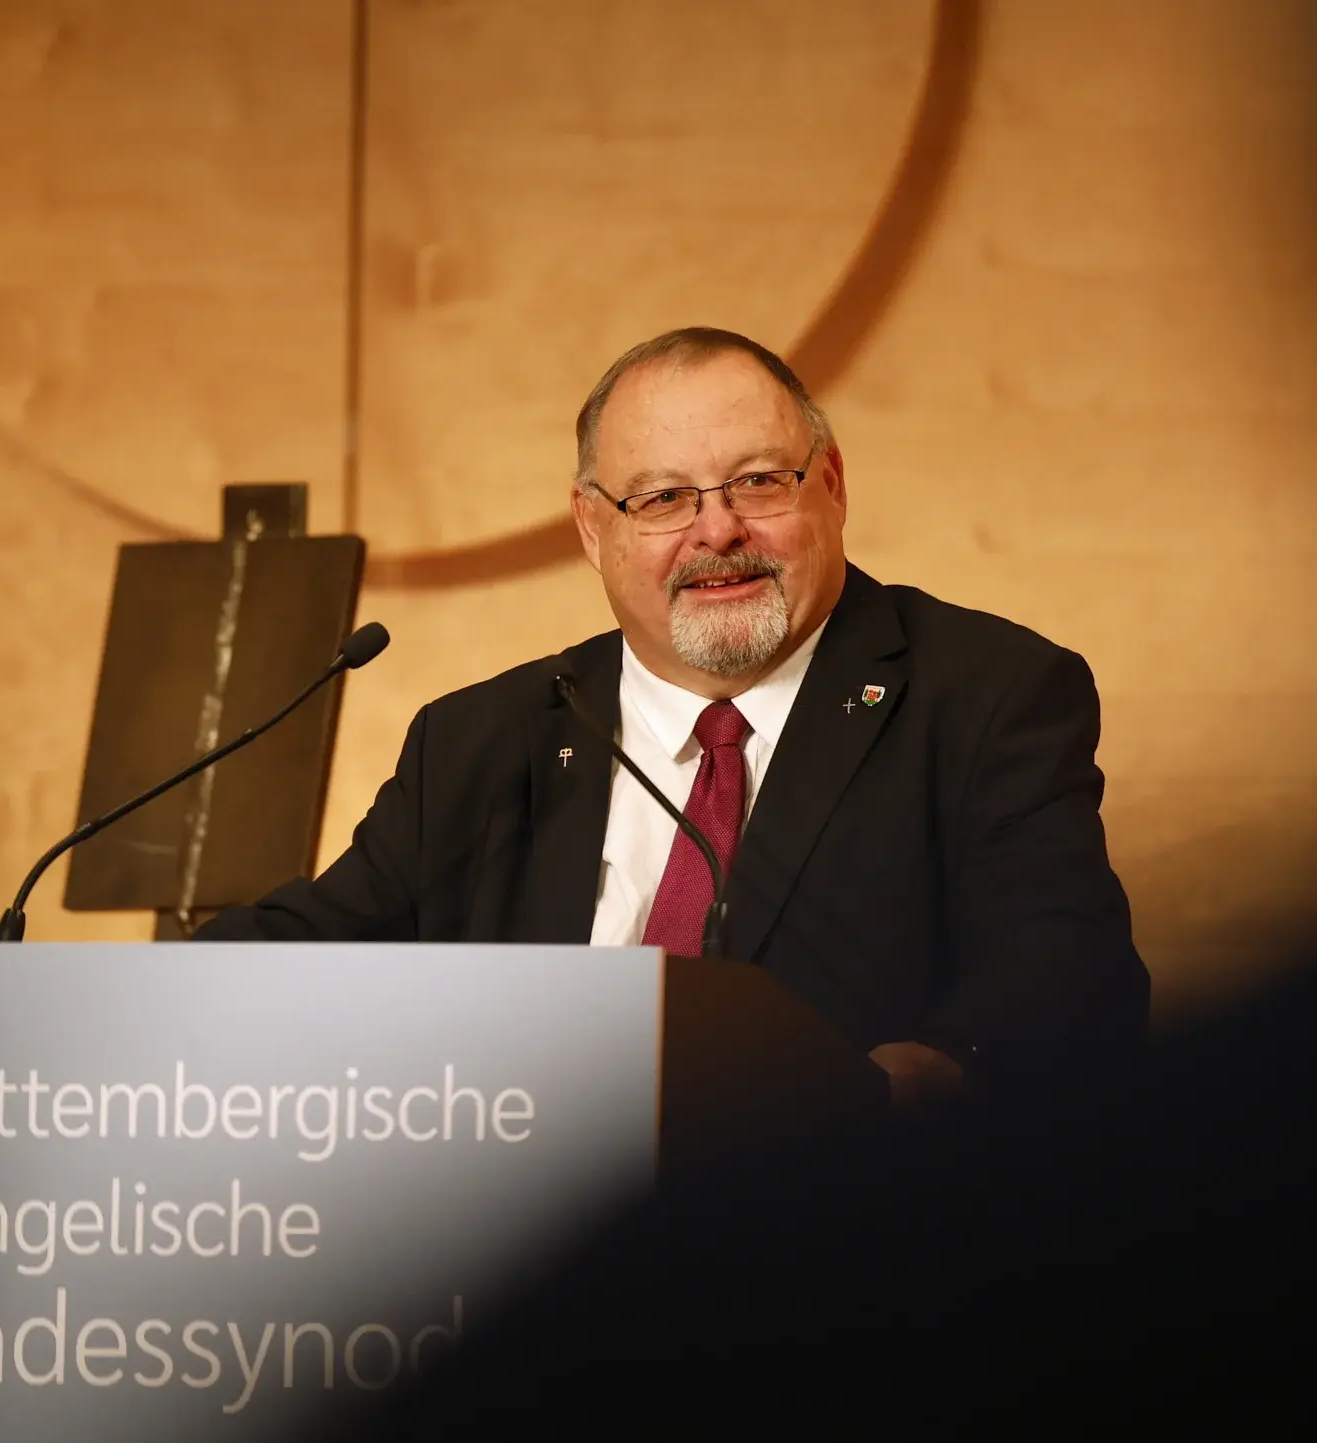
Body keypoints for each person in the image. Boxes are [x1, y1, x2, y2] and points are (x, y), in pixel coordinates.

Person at [196, 328, 1148, 1103]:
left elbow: (1066, 976)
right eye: (662, 498)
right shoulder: (482, 740)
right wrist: (93, 1004)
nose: (717, 529)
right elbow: (315, 947)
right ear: (590, 527)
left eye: (758, 481)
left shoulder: (984, 695)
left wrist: (940, 1070)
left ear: (833, 484)